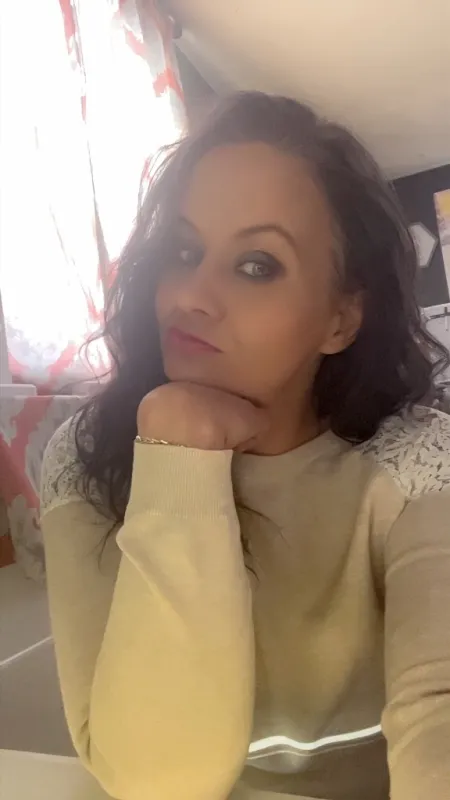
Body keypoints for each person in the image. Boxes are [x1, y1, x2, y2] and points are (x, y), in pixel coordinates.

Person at [40, 92, 450, 800]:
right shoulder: (87, 459)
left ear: (341, 319)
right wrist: (179, 454)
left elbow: (437, 714)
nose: (191, 296)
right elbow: (156, 782)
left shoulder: (418, 465)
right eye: (184, 251)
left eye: (257, 265)